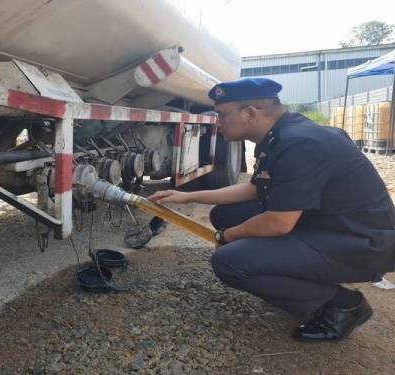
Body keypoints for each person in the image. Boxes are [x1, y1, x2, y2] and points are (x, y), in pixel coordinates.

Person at [148, 77, 395, 342]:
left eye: (221, 114)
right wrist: (186, 197)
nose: (217, 121)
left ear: (251, 113)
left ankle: (344, 305)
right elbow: (255, 189)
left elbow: (278, 223)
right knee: (225, 215)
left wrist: (228, 236)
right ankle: (286, 281)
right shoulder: (283, 135)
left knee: (229, 261)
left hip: (361, 243)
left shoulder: (300, 144)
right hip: (329, 226)